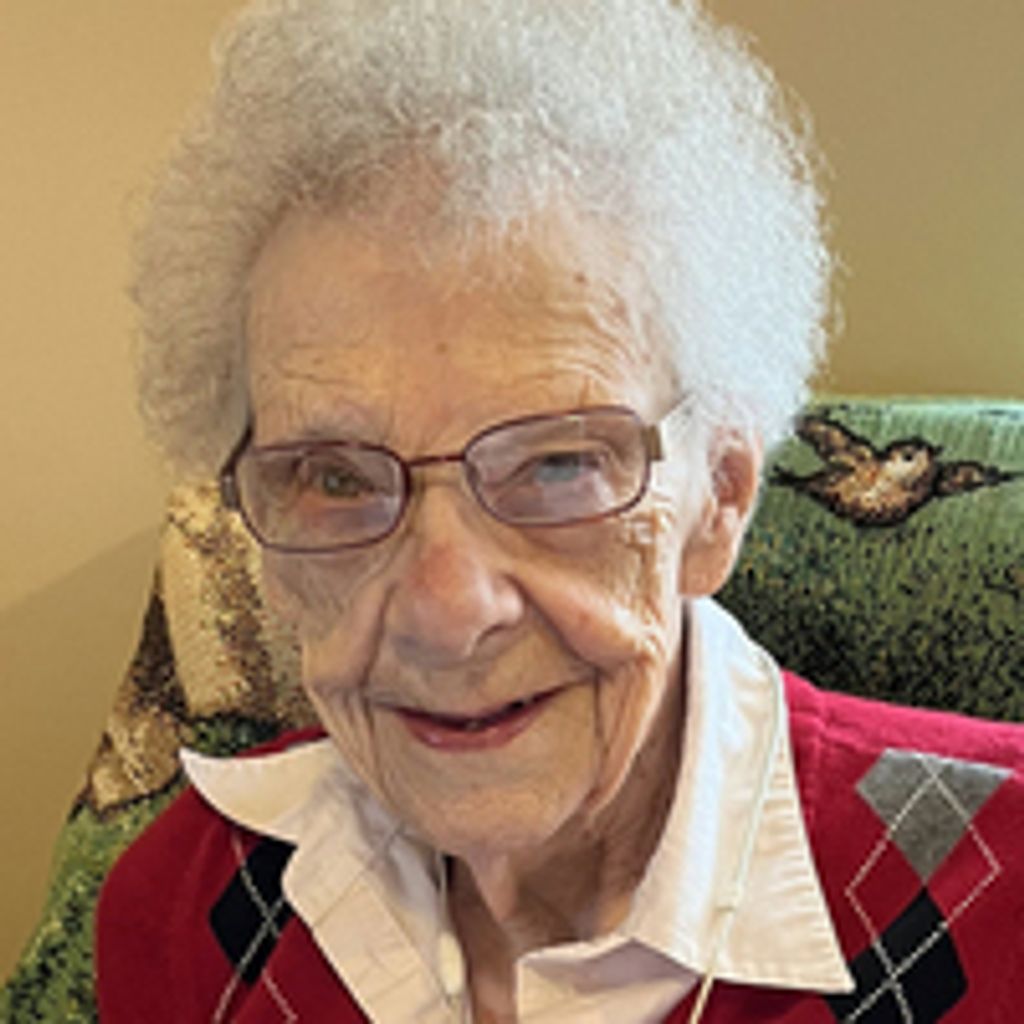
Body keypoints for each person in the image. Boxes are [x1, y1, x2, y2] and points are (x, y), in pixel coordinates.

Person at [95, 1, 1024, 1021]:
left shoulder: (1000, 898)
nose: (446, 613)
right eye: (336, 479)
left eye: (558, 464)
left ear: (719, 496)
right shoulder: (190, 908)